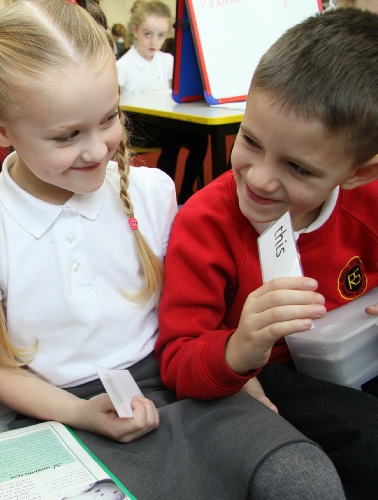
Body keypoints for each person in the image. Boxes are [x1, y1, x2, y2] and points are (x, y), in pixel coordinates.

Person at [0, 0, 344, 498]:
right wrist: (80, 412)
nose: (97, 149)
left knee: (304, 479)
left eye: (108, 118)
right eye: (67, 135)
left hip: (180, 386)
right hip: (61, 411)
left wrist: (235, 375)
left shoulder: (152, 193)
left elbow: (193, 316)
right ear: (0, 131)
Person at [155, 8, 378, 500]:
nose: (257, 178)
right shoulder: (205, 224)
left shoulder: (367, 199)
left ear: (358, 173)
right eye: (249, 140)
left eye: (298, 168)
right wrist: (240, 347)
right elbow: (175, 360)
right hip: (271, 378)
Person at [117, 1, 208, 203]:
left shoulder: (167, 60)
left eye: (161, 35)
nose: (154, 41)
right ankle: (163, 197)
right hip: (139, 127)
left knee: (200, 139)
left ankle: (186, 192)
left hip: (166, 123)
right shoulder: (124, 65)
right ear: (135, 30)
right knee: (171, 141)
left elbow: (173, 93)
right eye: (147, 34)